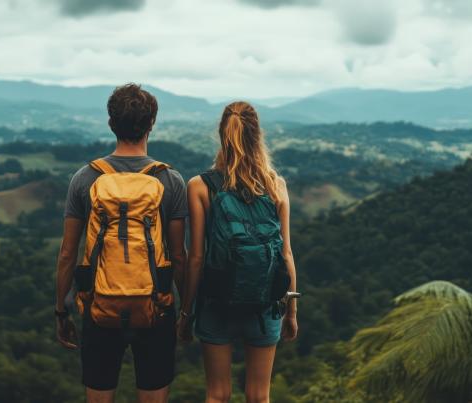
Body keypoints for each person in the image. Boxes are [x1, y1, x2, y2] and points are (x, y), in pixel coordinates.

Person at [55, 84, 188, 403]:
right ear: (152, 123)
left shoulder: (85, 179)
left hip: (98, 303)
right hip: (156, 306)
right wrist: (186, 313)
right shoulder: (169, 181)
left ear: (111, 123)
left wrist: (62, 310)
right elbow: (180, 256)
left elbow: (67, 254)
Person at [178, 101, 298, 403]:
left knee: (217, 394)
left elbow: (195, 259)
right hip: (264, 304)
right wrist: (292, 312)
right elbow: (286, 254)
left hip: (216, 302)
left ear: (221, 135)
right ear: (257, 136)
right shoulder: (275, 185)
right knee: (259, 396)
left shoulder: (200, 186)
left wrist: (186, 313)